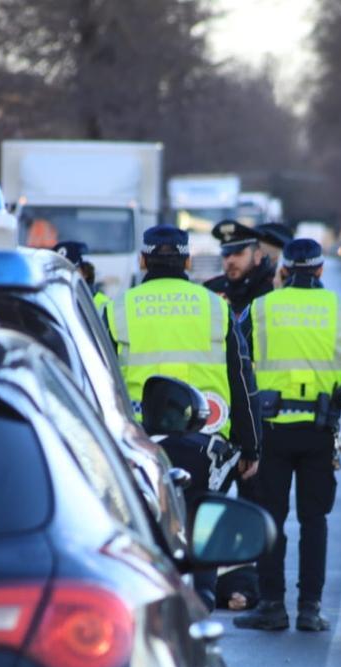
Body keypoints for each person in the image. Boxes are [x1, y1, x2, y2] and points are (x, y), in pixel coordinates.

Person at [103, 225, 263, 610]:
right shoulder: (216, 307)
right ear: (188, 261)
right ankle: (203, 596)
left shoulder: (117, 308)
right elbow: (242, 380)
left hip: (139, 442)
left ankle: (148, 599)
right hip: (205, 443)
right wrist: (251, 446)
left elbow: (98, 378)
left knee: (143, 525)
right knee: (200, 521)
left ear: (143, 260)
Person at [233, 238, 341, 632]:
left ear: (284, 270)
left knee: (270, 518)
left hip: (271, 432)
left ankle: (272, 606)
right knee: (315, 520)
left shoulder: (261, 308)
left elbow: (236, 363)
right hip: (320, 433)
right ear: (320, 269)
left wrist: (239, 428)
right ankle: (310, 609)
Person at [203, 220, 276, 320]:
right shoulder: (212, 290)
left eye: (238, 253)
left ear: (257, 256)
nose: (230, 261)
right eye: (226, 255)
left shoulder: (272, 289)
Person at [54, 240, 107, 312]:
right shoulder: (49, 305)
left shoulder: (103, 307)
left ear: (85, 272)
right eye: (56, 271)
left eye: (70, 270)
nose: (63, 276)